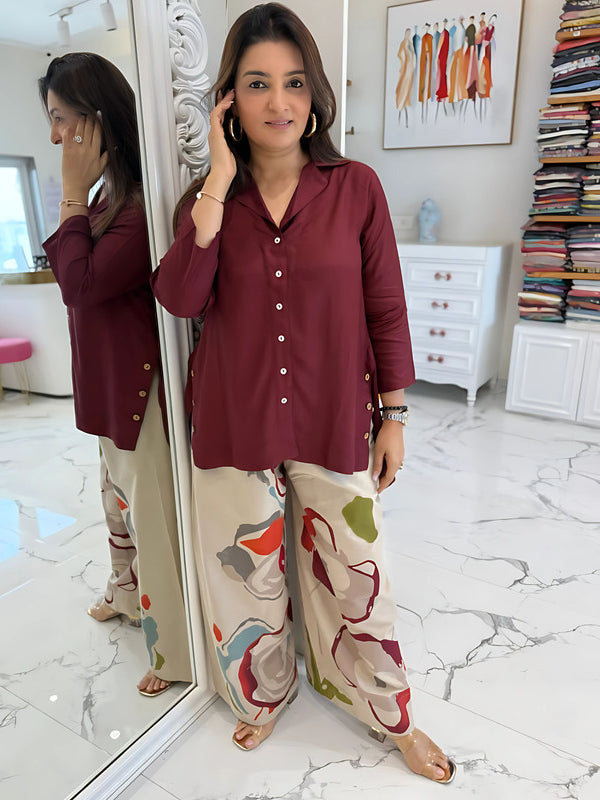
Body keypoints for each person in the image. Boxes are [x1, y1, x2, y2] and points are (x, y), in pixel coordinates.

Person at [152, 3, 455, 783]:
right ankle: (261, 699)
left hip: (334, 418)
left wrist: (393, 415)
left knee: (359, 572)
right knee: (240, 579)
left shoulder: (355, 188)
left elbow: (385, 307)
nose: (278, 102)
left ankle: (392, 714)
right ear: (231, 101)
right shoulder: (204, 203)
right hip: (233, 418)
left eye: (292, 83)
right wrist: (219, 181)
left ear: (315, 94)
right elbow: (180, 299)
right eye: (257, 85)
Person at [39, 52, 191, 697]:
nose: (53, 137)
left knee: (150, 521)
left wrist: (72, 194)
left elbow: (81, 285)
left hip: (138, 391)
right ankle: (127, 598)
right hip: (108, 386)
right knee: (117, 505)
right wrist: (80, 198)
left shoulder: (134, 207)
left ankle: (177, 652)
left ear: (95, 125)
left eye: (60, 120)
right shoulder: (108, 199)